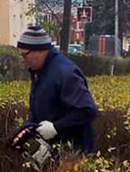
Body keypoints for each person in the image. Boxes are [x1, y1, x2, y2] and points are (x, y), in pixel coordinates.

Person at [12, 26, 98, 157]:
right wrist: (28, 128)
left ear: (40, 51)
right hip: (53, 151)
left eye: (25, 55)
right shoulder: (40, 72)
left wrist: (56, 128)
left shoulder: (65, 73)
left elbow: (87, 110)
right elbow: (44, 108)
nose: (23, 61)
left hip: (73, 153)